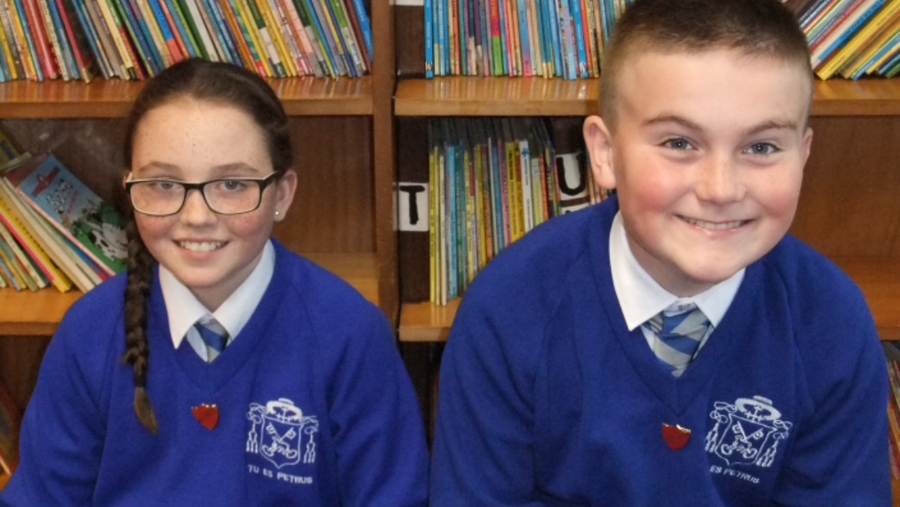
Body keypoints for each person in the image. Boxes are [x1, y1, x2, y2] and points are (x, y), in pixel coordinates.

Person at [429, 0, 890, 505]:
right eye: (679, 142)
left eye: (761, 148)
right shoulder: (509, 309)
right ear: (605, 154)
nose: (720, 189)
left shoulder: (831, 323)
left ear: (803, 155)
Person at [1, 59, 428, 507]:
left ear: (282, 194)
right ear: (130, 188)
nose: (197, 217)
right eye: (164, 184)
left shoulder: (349, 334)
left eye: (231, 184)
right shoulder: (88, 333)